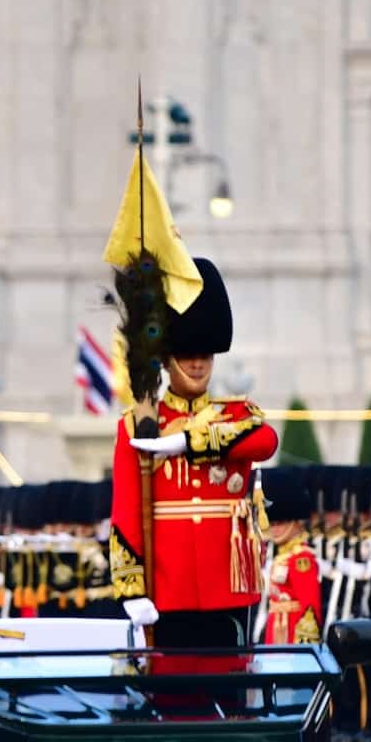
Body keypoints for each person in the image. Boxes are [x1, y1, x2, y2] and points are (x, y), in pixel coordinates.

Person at [111, 258, 279, 647]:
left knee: (232, 696)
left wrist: (189, 442)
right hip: (168, 586)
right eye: (187, 353)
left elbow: (265, 441)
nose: (198, 362)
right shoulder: (138, 424)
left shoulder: (237, 415)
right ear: (167, 358)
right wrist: (131, 588)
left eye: (205, 354)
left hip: (228, 583)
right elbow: (126, 512)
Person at [259, 468, 321, 646]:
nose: (275, 529)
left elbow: (310, 605)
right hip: (276, 625)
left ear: (296, 522)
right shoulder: (282, 555)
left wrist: (305, 642)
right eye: (273, 523)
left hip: (292, 629)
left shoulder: (301, 558)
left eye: (282, 523)